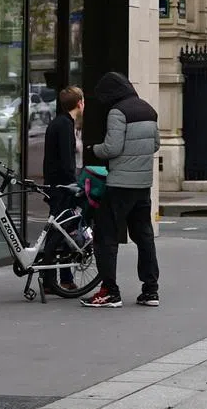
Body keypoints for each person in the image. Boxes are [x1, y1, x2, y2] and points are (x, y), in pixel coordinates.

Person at [80, 72, 161, 309]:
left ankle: (109, 291)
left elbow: (112, 148)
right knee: (144, 236)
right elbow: (156, 144)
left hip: (119, 186)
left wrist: (93, 149)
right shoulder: (148, 109)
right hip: (143, 185)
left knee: (106, 236)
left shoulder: (118, 112)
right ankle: (150, 290)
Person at [40, 86, 83, 295]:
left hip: (55, 184)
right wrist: (74, 185)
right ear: (80, 103)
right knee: (63, 231)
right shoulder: (65, 124)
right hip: (63, 187)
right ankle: (53, 279)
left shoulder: (59, 122)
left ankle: (60, 278)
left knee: (61, 231)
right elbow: (67, 161)